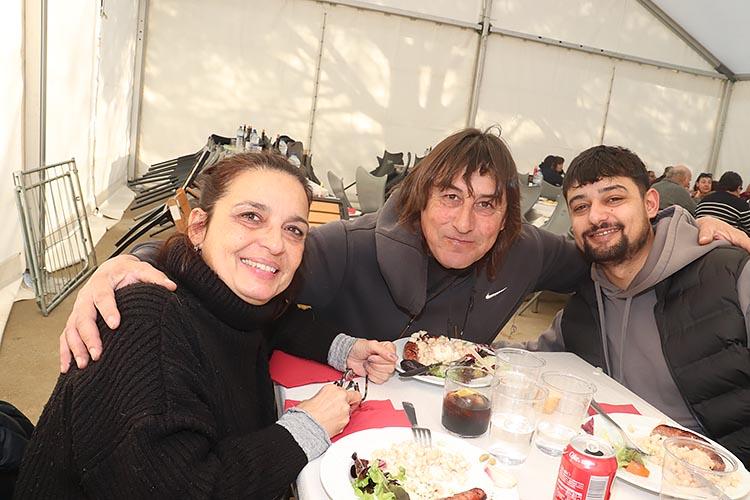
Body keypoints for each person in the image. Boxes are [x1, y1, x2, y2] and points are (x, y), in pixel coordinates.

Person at [59, 128, 750, 371]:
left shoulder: (530, 253)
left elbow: (608, 252)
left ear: (509, 215)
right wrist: (133, 262)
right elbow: (240, 255)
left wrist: (686, 231)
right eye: (449, 197)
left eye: (487, 204)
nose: (465, 222)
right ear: (420, 198)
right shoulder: (349, 246)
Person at [15, 153, 396, 498]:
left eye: (293, 230)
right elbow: (186, 489)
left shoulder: (231, 301)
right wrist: (308, 426)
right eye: (251, 216)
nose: (275, 244)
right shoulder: (147, 326)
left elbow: (278, 322)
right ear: (199, 227)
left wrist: (348, 349)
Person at [525, 145, 750, 466]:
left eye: (614, 199)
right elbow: (532, 359)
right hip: (617, 469)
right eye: (581, 206)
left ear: (650, 204)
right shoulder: (587, 302)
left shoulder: (730, 276)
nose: (596, 216)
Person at [696, 171, 750, 235]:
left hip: (698, 238)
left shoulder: (702, 202)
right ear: (738, 188)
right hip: (725, 240)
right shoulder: (741, 205)